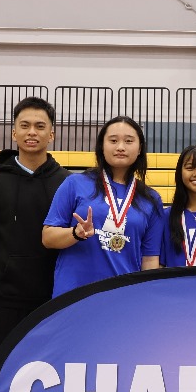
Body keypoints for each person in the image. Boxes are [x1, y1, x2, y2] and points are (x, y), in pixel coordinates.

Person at [0, 96, 69, 361]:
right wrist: (0, 272)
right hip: (6, 296)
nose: (31, 132)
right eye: (24, 125)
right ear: (14, 132)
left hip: (53, 295)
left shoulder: (67, 183)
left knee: (49, 369)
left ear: (52, 134)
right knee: (2, 369)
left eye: (40, 126)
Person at [42, 115, 163, 295]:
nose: (120, 147)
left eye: (129, 141)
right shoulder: (75, 184)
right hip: (73, 297)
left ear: (139, 149)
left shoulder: (151, 199)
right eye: (113, 140)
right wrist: (75, 233)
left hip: (122, 298)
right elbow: (48, 238)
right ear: (102, 146)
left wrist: (146, 301)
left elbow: (150, 261)